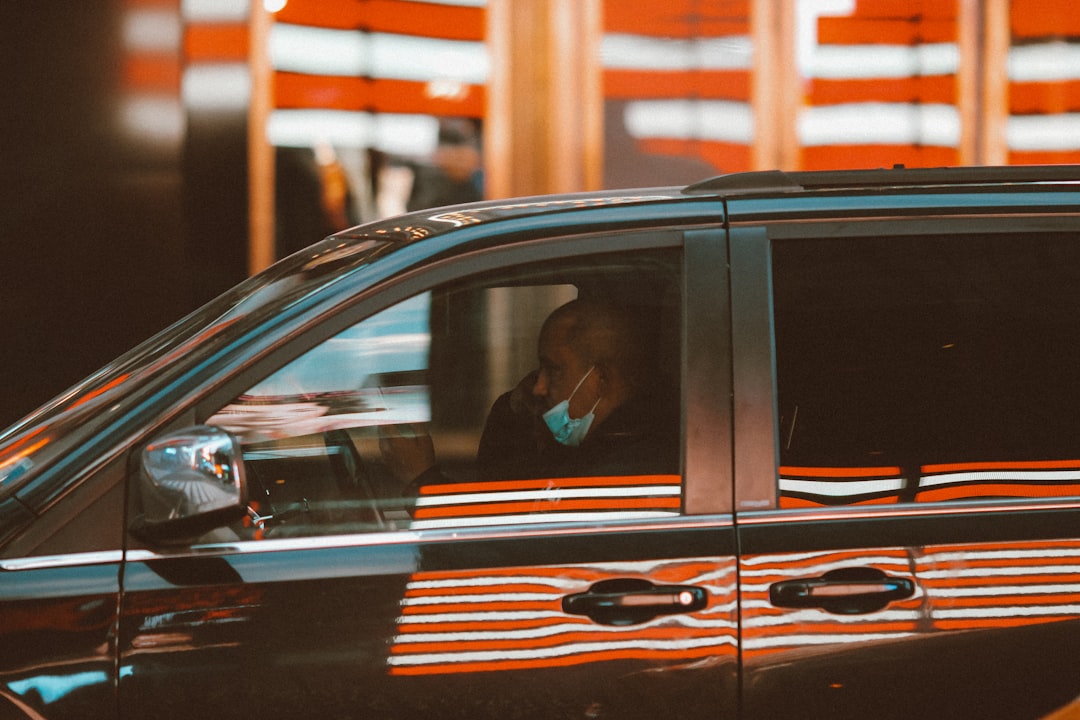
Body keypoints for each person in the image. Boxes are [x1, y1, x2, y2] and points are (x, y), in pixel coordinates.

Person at [380, 297, 679, 496]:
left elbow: (501, 550)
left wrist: (421, 480)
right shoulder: (592, 447)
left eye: (554, 370)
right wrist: (517, 416)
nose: (538, 387)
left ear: (600, 379)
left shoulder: (628, 471)